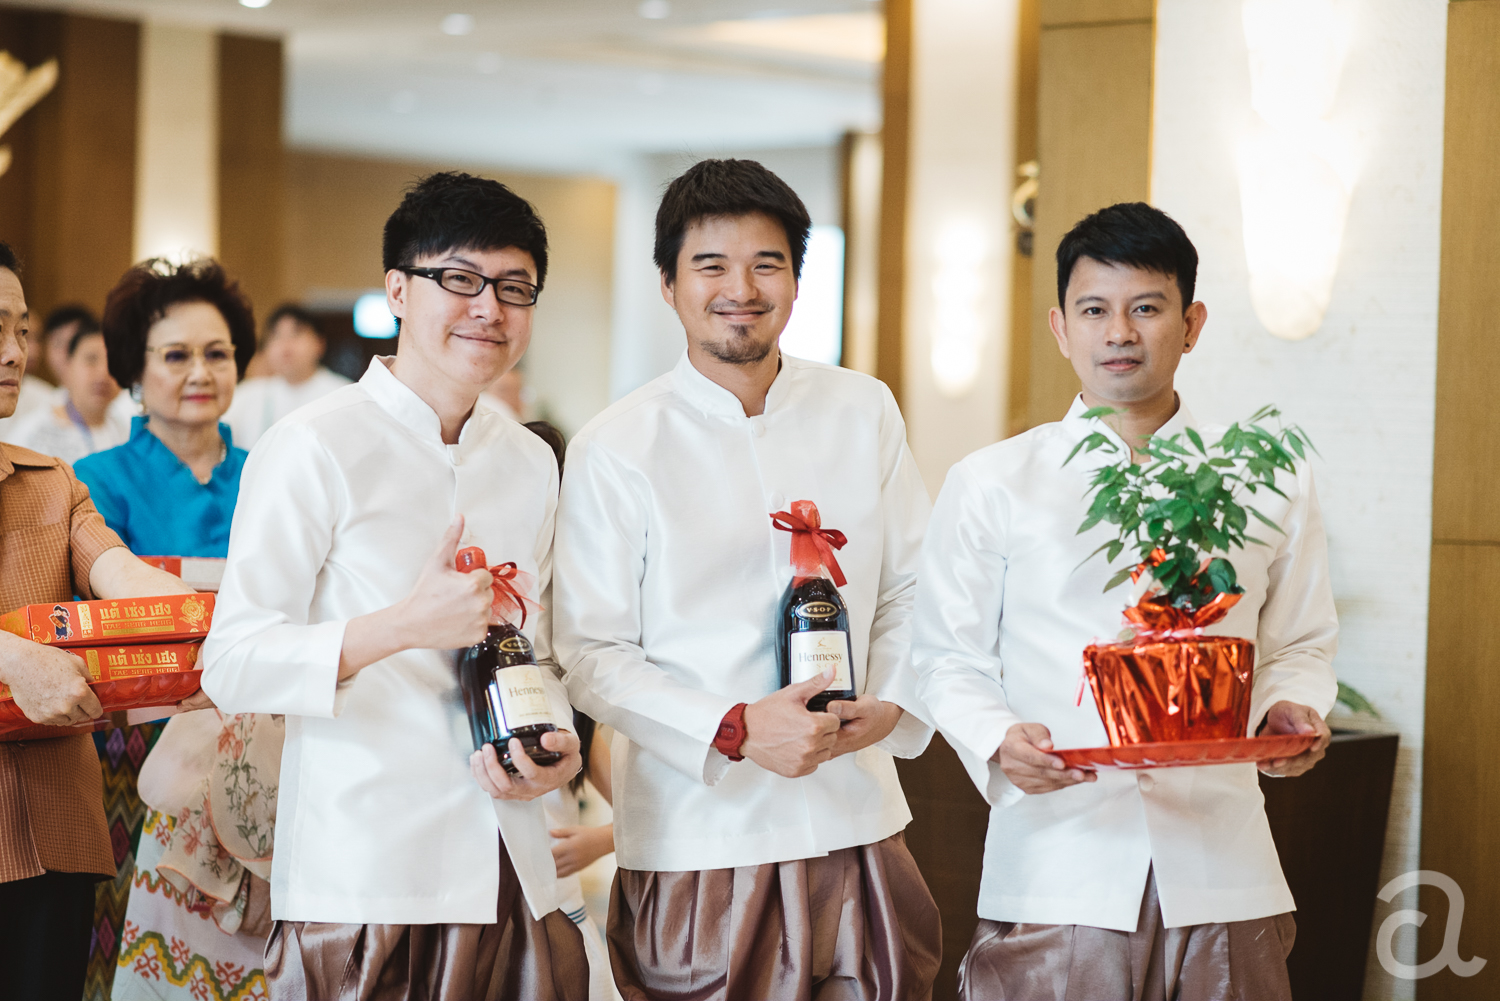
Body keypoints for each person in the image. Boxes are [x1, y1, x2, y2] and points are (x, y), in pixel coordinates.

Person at [911, 202, 1338, 1001]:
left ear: (1191, 323)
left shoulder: (1267, 479)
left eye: (1146, 308)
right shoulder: (993, 481)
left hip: (1224, 867)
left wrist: (1290, 706)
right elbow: (943, 655)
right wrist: (997, 737)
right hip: (1057, 863)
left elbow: (1299, 642)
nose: (1119, 333)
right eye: (1094, 310)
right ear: (1060, 327)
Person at [553, 158, 941, 1001]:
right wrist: (733, 727)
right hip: (700, 831)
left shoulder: (862, 408)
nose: (742, 289)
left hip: (855, 815)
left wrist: (891, 703)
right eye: (711, 266)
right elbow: (591, 653)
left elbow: (916, 587)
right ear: (668, 284)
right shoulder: (617, 445)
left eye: (767, 264)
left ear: (798, 279)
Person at [200, 172, 588, 1000]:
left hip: (512, 859)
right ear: (399, 291)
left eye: (514, 287)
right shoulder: (313, 445)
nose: (489, 307)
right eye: (461, 279)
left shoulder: (529, 460)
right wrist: (403, 625)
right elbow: (231, 662)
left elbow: (541, 649)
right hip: (367, 866)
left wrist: (556, 737)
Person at [0, 240, 206, 1001]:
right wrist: (10, 656)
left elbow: (121, 574)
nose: (14, 351)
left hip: (55, 827)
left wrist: (204, 633)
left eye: (22, 330)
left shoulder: (53, 483)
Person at [69, 259, 269, 1000]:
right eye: (176, 355)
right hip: (130, 744)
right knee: (121, 941)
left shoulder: (272, 473)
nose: (200, 373)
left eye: (217, 353)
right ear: (134, 367)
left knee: (244, 950)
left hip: (253, 739)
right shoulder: (92, 478)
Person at [223, 303, 350, 449]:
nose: (286, 345)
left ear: (319, 344)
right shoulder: (247, 395)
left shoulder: (344, 395)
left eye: (296, 334)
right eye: (276, 336)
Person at [8, 315, 129, 464]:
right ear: (68, 365)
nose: (103, 373)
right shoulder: (34, 433)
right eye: (91, 360)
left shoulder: (126, 431)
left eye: (113, 363)